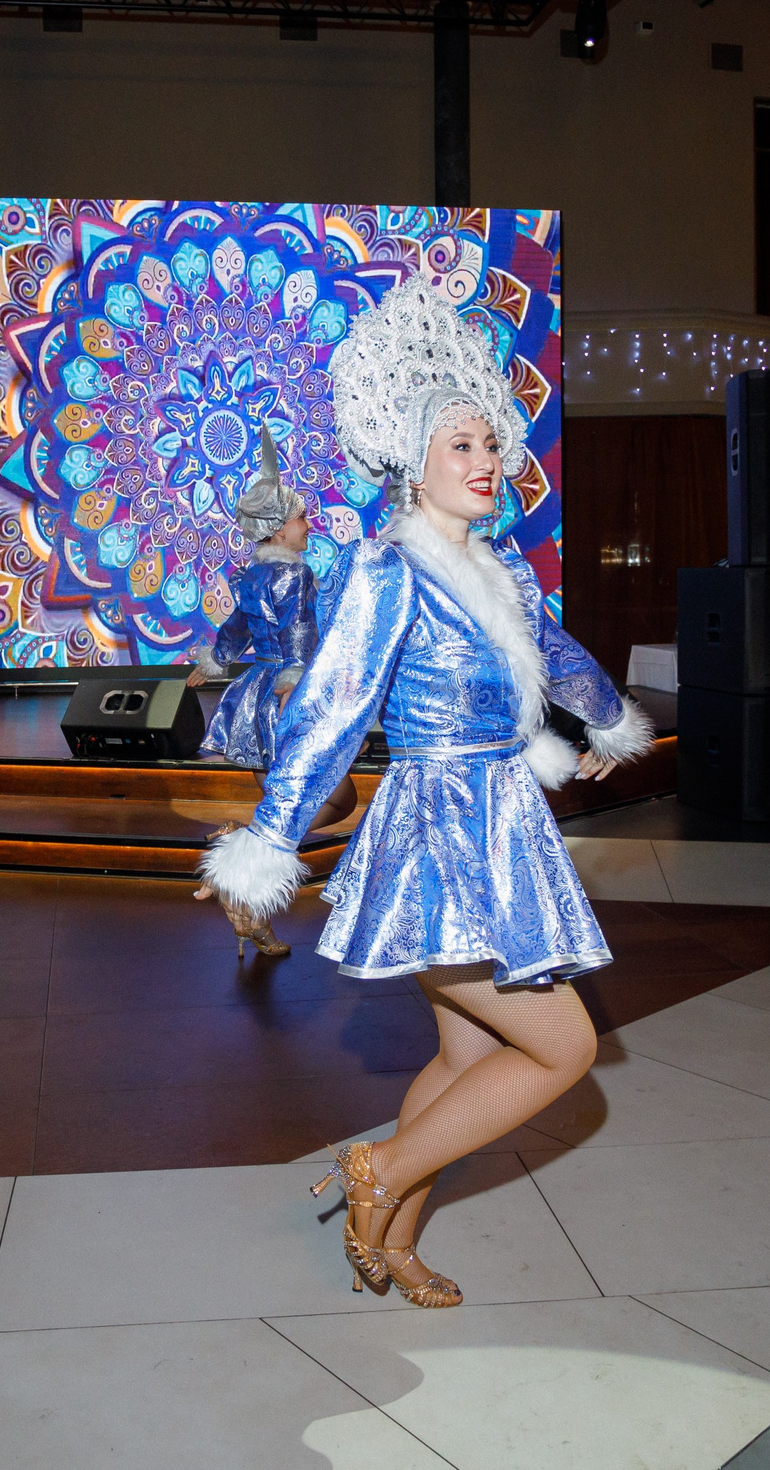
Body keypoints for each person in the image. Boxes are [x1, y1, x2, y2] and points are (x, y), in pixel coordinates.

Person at [198, 278, 652, 1311]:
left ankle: (391, 1238)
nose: (487, 458)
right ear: (415, 460)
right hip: (441, 832)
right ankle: (380, 1175)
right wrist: (269, 839)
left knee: (466, 1054)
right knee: (564, 1048)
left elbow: (559, 654)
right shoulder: (388, 570)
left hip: (501, 822)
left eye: (490, 442)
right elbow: (332, 706)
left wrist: (611, 722)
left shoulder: (504, 575)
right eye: (460, 443)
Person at [186, 426, 353, 957]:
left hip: (253, 698)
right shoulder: (297, 577)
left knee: (278, 806)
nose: (310, 526)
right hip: (287, 695)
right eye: (302, 518)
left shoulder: (253, 577)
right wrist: (293, 684)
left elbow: (235, 629)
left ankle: (249, 908)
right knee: (338, 798)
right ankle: (247, 841)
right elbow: (301, 634)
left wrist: (212, 664)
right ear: (280, 528)